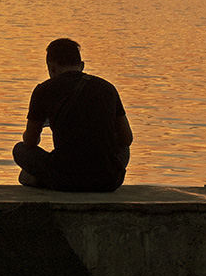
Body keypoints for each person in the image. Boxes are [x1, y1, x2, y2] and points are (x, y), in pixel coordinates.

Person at [13, 38, 133, 192]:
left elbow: (29, 142)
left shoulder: (44, 90)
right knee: (124, 149)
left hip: (65, 179)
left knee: (20, 150)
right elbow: (126, 139)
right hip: (108, 180)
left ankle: (39, 179)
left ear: (52, 67)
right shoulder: (108, 88)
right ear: (81, 66)